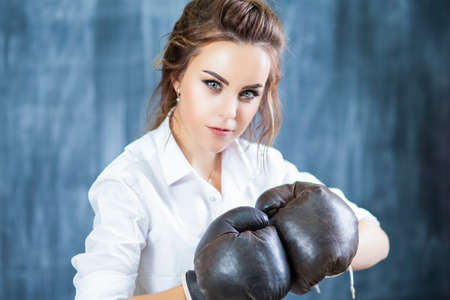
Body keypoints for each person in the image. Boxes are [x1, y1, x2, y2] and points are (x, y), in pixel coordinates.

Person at [71, 0, 390, 299]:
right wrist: (198, 290)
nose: (229, 112)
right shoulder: (130, 182)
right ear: (178, 78)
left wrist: (304, 250)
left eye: (248, 93)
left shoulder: (266, 168)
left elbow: (377, 237)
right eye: (213, 84)